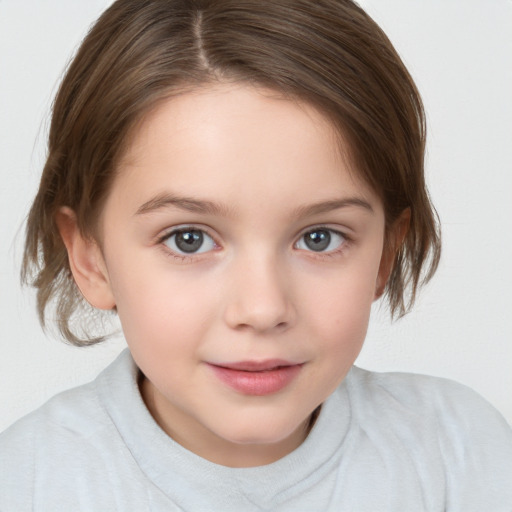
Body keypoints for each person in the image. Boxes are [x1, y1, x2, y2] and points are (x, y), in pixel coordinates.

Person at [1, 0, 511, 510]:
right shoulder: (26, 484)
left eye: (320, 238)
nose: (263, 309)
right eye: (188, 239)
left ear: (384, 254)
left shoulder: (459, 457)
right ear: (90, 257)